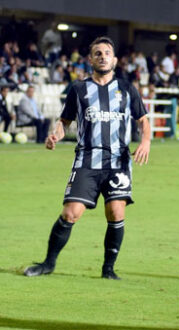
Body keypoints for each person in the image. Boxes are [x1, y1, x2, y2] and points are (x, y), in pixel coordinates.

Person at [23, 36, 151, 280]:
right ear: (90, 59)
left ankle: (108, 269)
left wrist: (146, 141)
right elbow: (65, 121)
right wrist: (56, 135)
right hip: (86, 160)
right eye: (98, 53)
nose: (103, 56)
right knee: (71, 213)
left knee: (116, 213)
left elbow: (143, 121)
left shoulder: (126, 88)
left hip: (118, 163)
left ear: (114, 59)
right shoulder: (79, 89)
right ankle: (48, 263)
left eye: (107, 53)